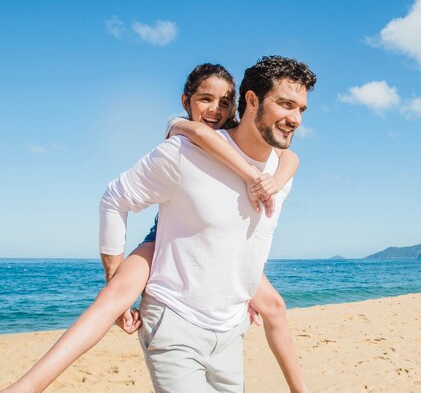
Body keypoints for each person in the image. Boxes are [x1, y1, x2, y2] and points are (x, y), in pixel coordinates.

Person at [2, 58, 315, 393]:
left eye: (301, 109)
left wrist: (242, 282)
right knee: (116, 294)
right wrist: (113, 271)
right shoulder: (182, 149)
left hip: (231, 334)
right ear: (252, 101)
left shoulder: (281, 168)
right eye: (285, 104)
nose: (295, 119)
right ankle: (29, 385)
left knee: (275, 307)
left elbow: (252, 228)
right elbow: (114, 198)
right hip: (174, 323)